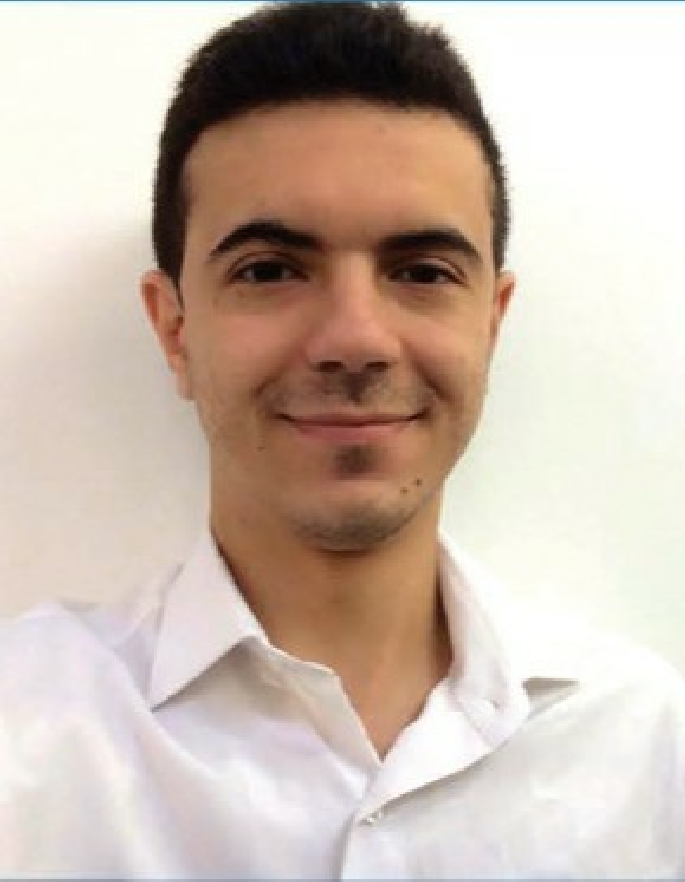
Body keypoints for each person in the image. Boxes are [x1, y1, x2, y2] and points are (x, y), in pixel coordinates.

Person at [1, 1, 683, 877]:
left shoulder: (641, 747)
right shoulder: (25, 728)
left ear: (491, 322)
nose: (355, 339)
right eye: (269, 270)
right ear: (174, 329)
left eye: (422, 272)